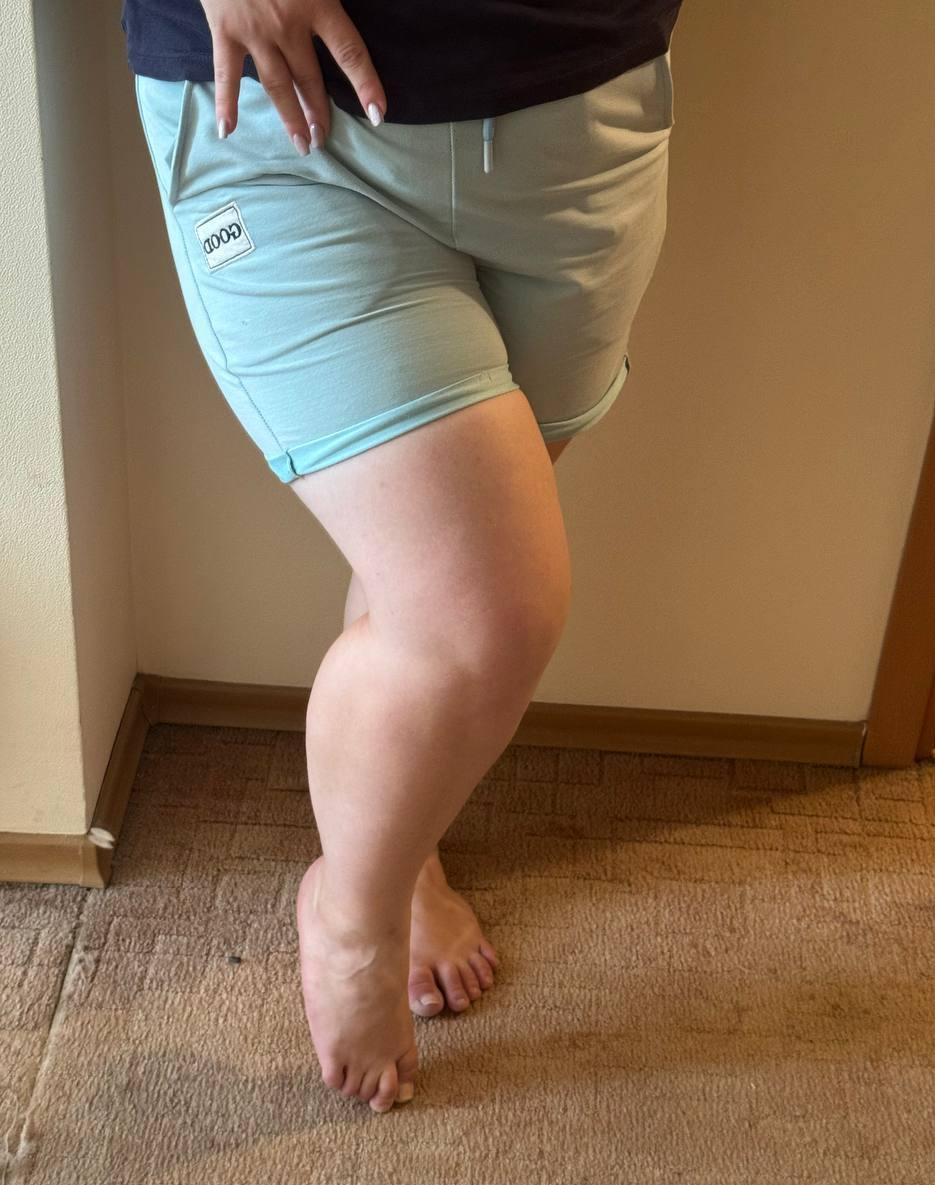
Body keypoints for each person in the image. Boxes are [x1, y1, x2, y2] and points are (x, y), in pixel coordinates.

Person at [123, 0, 680, 1114]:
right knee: (483, 610)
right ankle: (352, 915)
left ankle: (401, 840)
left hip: (587, 113)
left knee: (431, 562)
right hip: (285, 118)